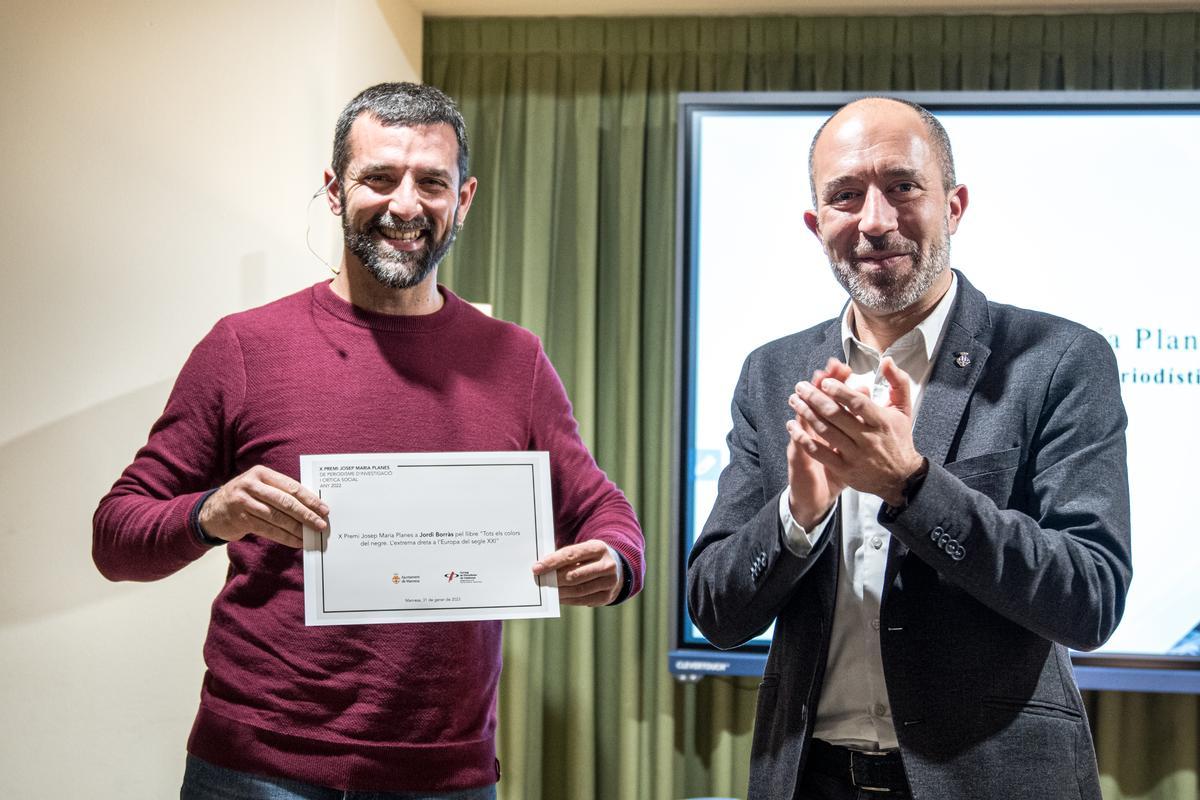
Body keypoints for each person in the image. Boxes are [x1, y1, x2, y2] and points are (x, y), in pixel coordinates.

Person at [93, 82, 645, 799]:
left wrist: (614, 560)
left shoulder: (516, 361)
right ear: (333, 189)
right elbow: (115, 535)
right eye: (379, 178)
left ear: (465, 199)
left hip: (444, 777)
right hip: (255, 770)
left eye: (432, 183)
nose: (406, 205)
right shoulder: (243, 348)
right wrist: (211, 513)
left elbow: (607, 514)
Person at [686, 97, 1131, 800]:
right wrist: (797, 517)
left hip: (994, 780)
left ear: (953, 206)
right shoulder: (771, 374)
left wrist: (913, 485)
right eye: (845, 196)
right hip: (810, 779)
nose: (874, 221)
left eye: (902, 186)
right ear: (816, 224)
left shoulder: (1058, 360)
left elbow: (1090, 599)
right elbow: (716, 611)